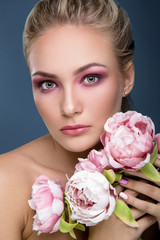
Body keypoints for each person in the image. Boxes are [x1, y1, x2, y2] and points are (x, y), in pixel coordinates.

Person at [0, 0, 159, 239]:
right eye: (48, 84)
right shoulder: (6, 184)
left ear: (127, 78)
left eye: (91, 78)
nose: (69, 107)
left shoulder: (153, 178)